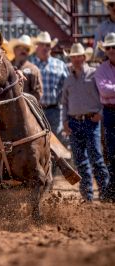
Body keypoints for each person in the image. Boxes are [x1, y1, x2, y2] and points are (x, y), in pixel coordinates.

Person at [62, 43, 110, 202]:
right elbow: (65, 102)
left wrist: (101, 113)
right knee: (80, 160)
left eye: (78, 56)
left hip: (91, 121)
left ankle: (105, 194)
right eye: (73, 57)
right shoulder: (68, 79)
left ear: (84, 57)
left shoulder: (94, 74)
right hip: (74, 122)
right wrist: (65, 121)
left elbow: (104, 97)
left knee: (96, 158)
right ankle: (87, 196)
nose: (76, 59)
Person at [30, 31, 69, 143]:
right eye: (42, 44)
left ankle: (58, 161)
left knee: (57, 140)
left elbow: (67, 89)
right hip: (35, 110)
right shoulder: (30, 64)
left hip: (55, 110)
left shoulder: (60, 64)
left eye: (47, 45)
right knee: (37, 140)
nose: (45, 47)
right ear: (36, 47)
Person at [94, 32, 115, 201]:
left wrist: (111, 89)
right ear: (105, 50)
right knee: (111, 152)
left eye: (114, 47)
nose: (112, 50)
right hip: (110, 112)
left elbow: (108, 90)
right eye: (109, 47)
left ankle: (110, 191)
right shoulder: (101, 69)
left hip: (109, 111)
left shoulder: (101, 70)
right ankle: (111, 191)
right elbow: (103, 91)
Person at [8, 34, 43, 101]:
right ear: (14, 50)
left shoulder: (33, 69)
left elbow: (38, 93)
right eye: (21, 48)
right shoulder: (7, 67)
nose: (24, 51)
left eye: (27, 49)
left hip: (26, 108)